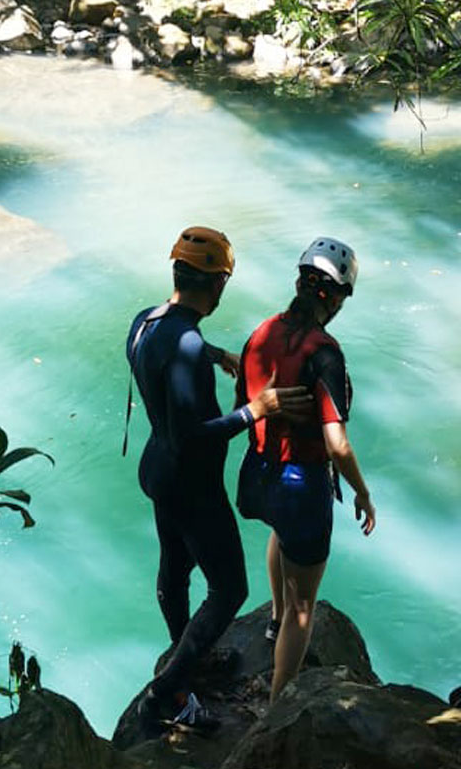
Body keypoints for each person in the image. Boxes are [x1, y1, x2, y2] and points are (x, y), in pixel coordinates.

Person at [124, 226, 312, 735]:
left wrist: (215, 353)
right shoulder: (185, 342)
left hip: (156, 470)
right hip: (191, 483)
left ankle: (184, 658)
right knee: (229, 589)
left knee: (175, 567)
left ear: (177, 274)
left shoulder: (149, 321)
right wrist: (258, 409)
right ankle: (164, 696)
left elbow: (172, 352)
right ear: (219, 284)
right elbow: (196, 439)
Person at [236, 236, 376, 702]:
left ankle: (272, 621)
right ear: (336, 297)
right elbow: (336, 443)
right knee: (305, 607)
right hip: (301, 482)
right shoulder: (325, 353)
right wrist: (362, 491)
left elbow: (244, 403)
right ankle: (279, 703)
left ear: (299, 282)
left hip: (260, 471)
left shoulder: (261, 333)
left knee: (281, 534)